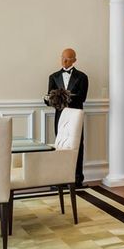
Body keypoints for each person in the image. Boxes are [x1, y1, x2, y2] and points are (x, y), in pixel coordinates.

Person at [46, 48, 88, 185]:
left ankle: (77, 178)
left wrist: (62, 97)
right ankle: (60, 178)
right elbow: (50, 98)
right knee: (60, 145)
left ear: (74, 60)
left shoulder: (82, 77)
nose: (64, 61)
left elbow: (82, 98)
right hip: (60, 117)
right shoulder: (53, 76)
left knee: (77, 146)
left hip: (76, 116)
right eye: (63, 57)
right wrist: (49, 99)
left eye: (68, 59)